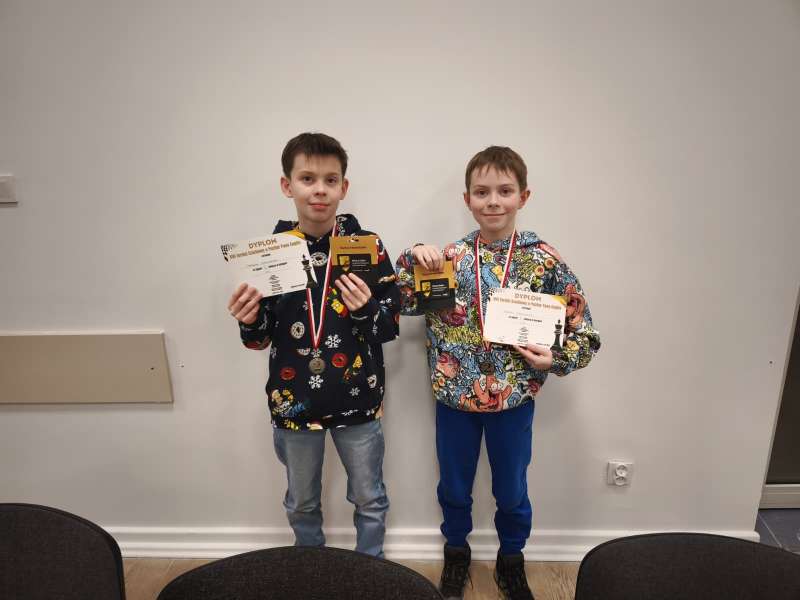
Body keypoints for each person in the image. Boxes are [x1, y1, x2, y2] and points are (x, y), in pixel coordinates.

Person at [395, 146, 601, 598]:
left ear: (523, 197)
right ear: (466, 199)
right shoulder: (447, 258)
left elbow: (584, 332)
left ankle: (511, 559)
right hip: (455, 399)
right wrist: (412, 256)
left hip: (513, 402)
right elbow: (401, 303)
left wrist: (555, 360)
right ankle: (456, 553)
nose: (493, 201)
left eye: (504, 191)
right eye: (482, 192)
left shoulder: (544, 261)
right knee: (453, 486)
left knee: (511, 489)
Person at [228, 132, 400, 557]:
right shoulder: (269, 253)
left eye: (330, 180)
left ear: (344, 187)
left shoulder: (368, 247)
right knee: (301, 503)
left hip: (357, 398)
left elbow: (389, 325)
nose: (319, 189)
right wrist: (249, 320)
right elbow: (260, 337)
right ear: (287, 186)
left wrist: (364, 310)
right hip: (294, 401)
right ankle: (310, 572)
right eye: (307, 179)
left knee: (369, 499)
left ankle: (371, 573)